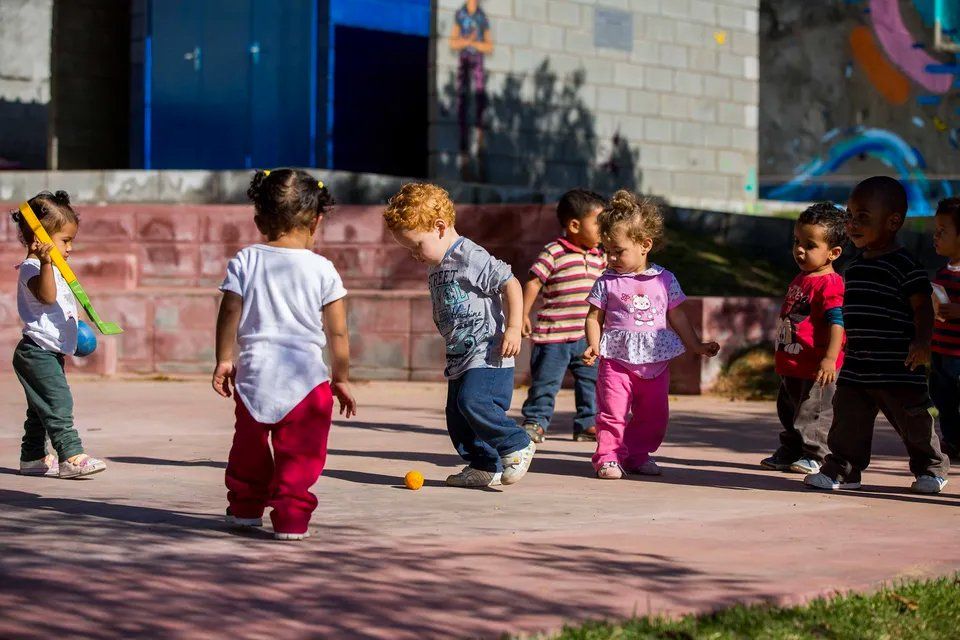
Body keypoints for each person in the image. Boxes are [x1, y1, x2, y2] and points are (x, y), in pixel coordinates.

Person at [214, 169, 357, 541]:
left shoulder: (246, 260)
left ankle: (245, 508)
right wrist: (340, 377)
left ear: (259, 219)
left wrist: (224, 358)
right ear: (317, 220)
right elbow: (337, 331)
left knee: (248, 448)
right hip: (307, 382)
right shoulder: (323, 269)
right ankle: (292, 517)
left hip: (255, 377)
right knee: (301, 455)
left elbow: (229, 311)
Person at [384, 183, 535, 488]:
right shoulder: (436, 264)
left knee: (473, 401)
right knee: (457, 416)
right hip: (459, 354)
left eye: (416, 245)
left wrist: (515, 327)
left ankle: (516, 443)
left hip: (488, 350)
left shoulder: (469, 255)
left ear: (439, 227)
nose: (414, 255)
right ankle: (483, 465)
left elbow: (511, 283)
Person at [805, 176, 949, 494]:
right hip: (858, 364)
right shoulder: (854, 267)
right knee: (847, 421)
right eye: (850, 215)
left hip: (899, 364)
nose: (853, 223)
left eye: (863, 217)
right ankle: (843, 470)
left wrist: (923, 342)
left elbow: (923, 308)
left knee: (914, 420)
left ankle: (931, 468)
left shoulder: (905, 265)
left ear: (893, 221)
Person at [582, 190, 720, 479]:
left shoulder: (664, 280)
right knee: (612, 412)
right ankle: (608, 457)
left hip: (655, 361)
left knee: (655, 417)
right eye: (606, 250)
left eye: (618, 251)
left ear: (645, 245)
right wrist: (593, 345)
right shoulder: (606, 282)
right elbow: (594, 317)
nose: (611, 257)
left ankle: (636, 454)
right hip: (616, 359)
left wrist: (695, 345)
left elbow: (678, 316)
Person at [10, 191, 107, 479]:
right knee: (58, 404)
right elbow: (48, 296)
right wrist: (47, 263)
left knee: (39, 408)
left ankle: (33, 457)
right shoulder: (32, 268)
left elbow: (59, 303)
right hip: (36, 352)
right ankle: (71, 456)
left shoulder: (54, 270)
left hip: (47, 351)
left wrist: (73, 319)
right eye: (65, 240)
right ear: (40, 238)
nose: (70, 248)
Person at [761, 202, 848, 475]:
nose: (800, 249)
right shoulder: (802, 278)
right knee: (789, 410)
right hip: (793, 362)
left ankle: (816, 455)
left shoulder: (830, 284)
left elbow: (838, 323)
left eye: (810, 245)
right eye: (797, 241)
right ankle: (791, 450)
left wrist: (830, 359)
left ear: (833, 253)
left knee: (814, 413)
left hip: (817, 366)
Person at [520, 189, 606, 443]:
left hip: (586, 337)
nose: (603, 230)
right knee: (545, 383)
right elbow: (534, 282)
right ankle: (536, 422)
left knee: (591, 383)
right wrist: (523, 314)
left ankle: (587, 424)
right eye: (598, 223)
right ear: (575, 225)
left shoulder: (601, 257)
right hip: (553, 336)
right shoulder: (554, 251)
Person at [930, 196, 960, 461]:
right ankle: (952, 441)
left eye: (942, 231)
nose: (935, 236)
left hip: (958, 355)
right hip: (940, 350)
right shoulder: (942, 272)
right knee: (943, 399)